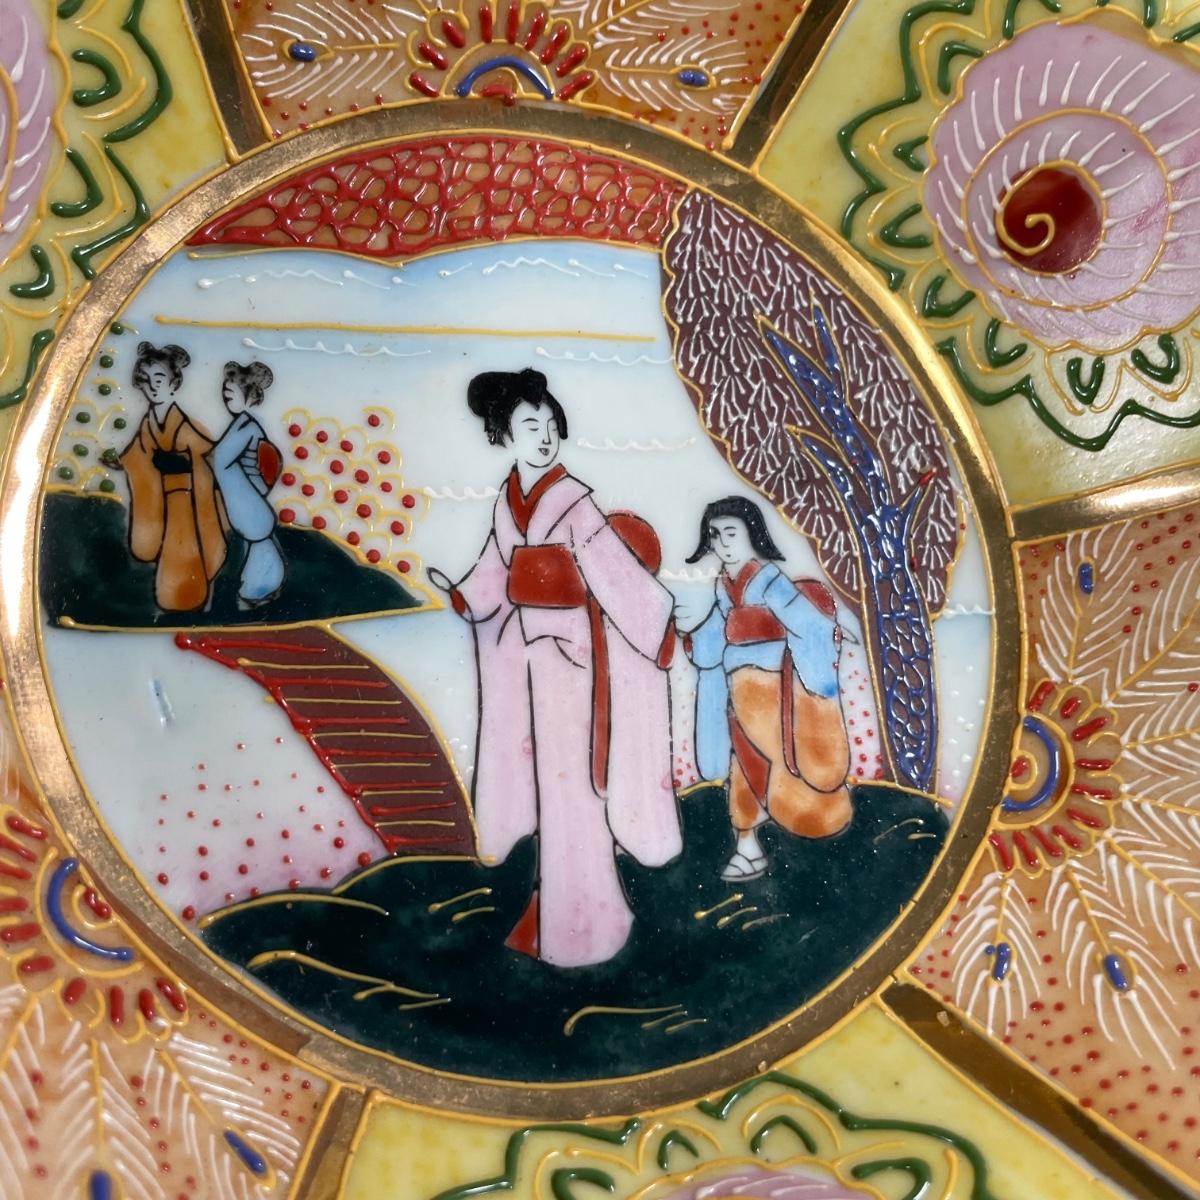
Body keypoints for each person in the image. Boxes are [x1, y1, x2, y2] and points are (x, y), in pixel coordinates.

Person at [426, 368, 681, 968]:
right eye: (528, 427)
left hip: (571, 660)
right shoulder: (507, 501)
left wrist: (656, 627)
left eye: (549, 425)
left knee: (571, 789)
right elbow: (495, 568)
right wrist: (466, 597)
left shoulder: (574, 503)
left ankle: (588, 921)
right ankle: (547, 898)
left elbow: (614, 573)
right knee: (540, 783)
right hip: (526, 657)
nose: (543, 438)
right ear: (504, 436)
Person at [681, 496, 852, 882]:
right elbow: (715, 632)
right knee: (744, 762)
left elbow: (807, 622)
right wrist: (693, 641)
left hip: (773, 690)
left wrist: (828, 634)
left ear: (752, 535)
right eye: (715, 535)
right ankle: (747, 845)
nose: (723, 543)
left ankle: (801, 832)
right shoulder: (724, 587)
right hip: (739, 692)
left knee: (780, 759)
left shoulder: (770, 580)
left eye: (731, 533)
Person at [118, 342, 228, 612]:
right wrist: (122, 462)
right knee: (171, 547)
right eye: (146, 381)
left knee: (186, 548)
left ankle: (187, 597)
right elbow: (137, 455)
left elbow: (207, 455)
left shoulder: (186, 425)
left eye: (159, 379)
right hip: (164, 498)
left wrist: (179, 461)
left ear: (173, 382)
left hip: (189, 500)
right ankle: (173, 598)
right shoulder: (148, 423)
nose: (152, 387)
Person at [211, 361, 285, 607]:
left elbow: (220, 458)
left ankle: (259, 589)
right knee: (257, 540)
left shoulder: (247, 425)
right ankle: (258, 589)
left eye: (231, 392)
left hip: (246, 495)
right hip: (244, 493)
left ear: (250, 395)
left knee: (257, 536)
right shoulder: (242, 423)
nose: (225, 396)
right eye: (225, 392)